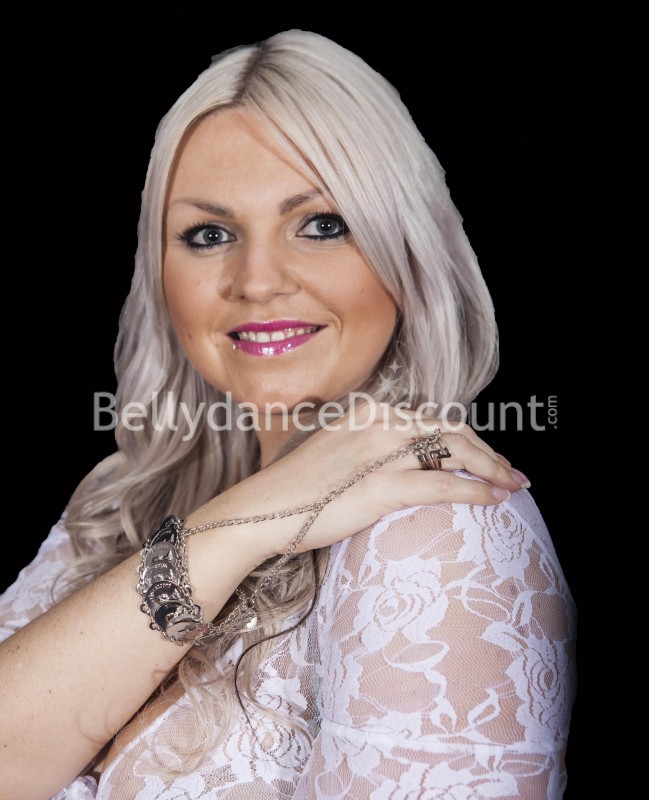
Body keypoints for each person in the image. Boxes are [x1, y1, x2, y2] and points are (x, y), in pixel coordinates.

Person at [0, 29, 576, 800]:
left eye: (321, 224)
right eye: (209, 235)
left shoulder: (435, 528)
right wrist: (257, 510)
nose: (257, 280)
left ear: (403, 251)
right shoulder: (120, 509)